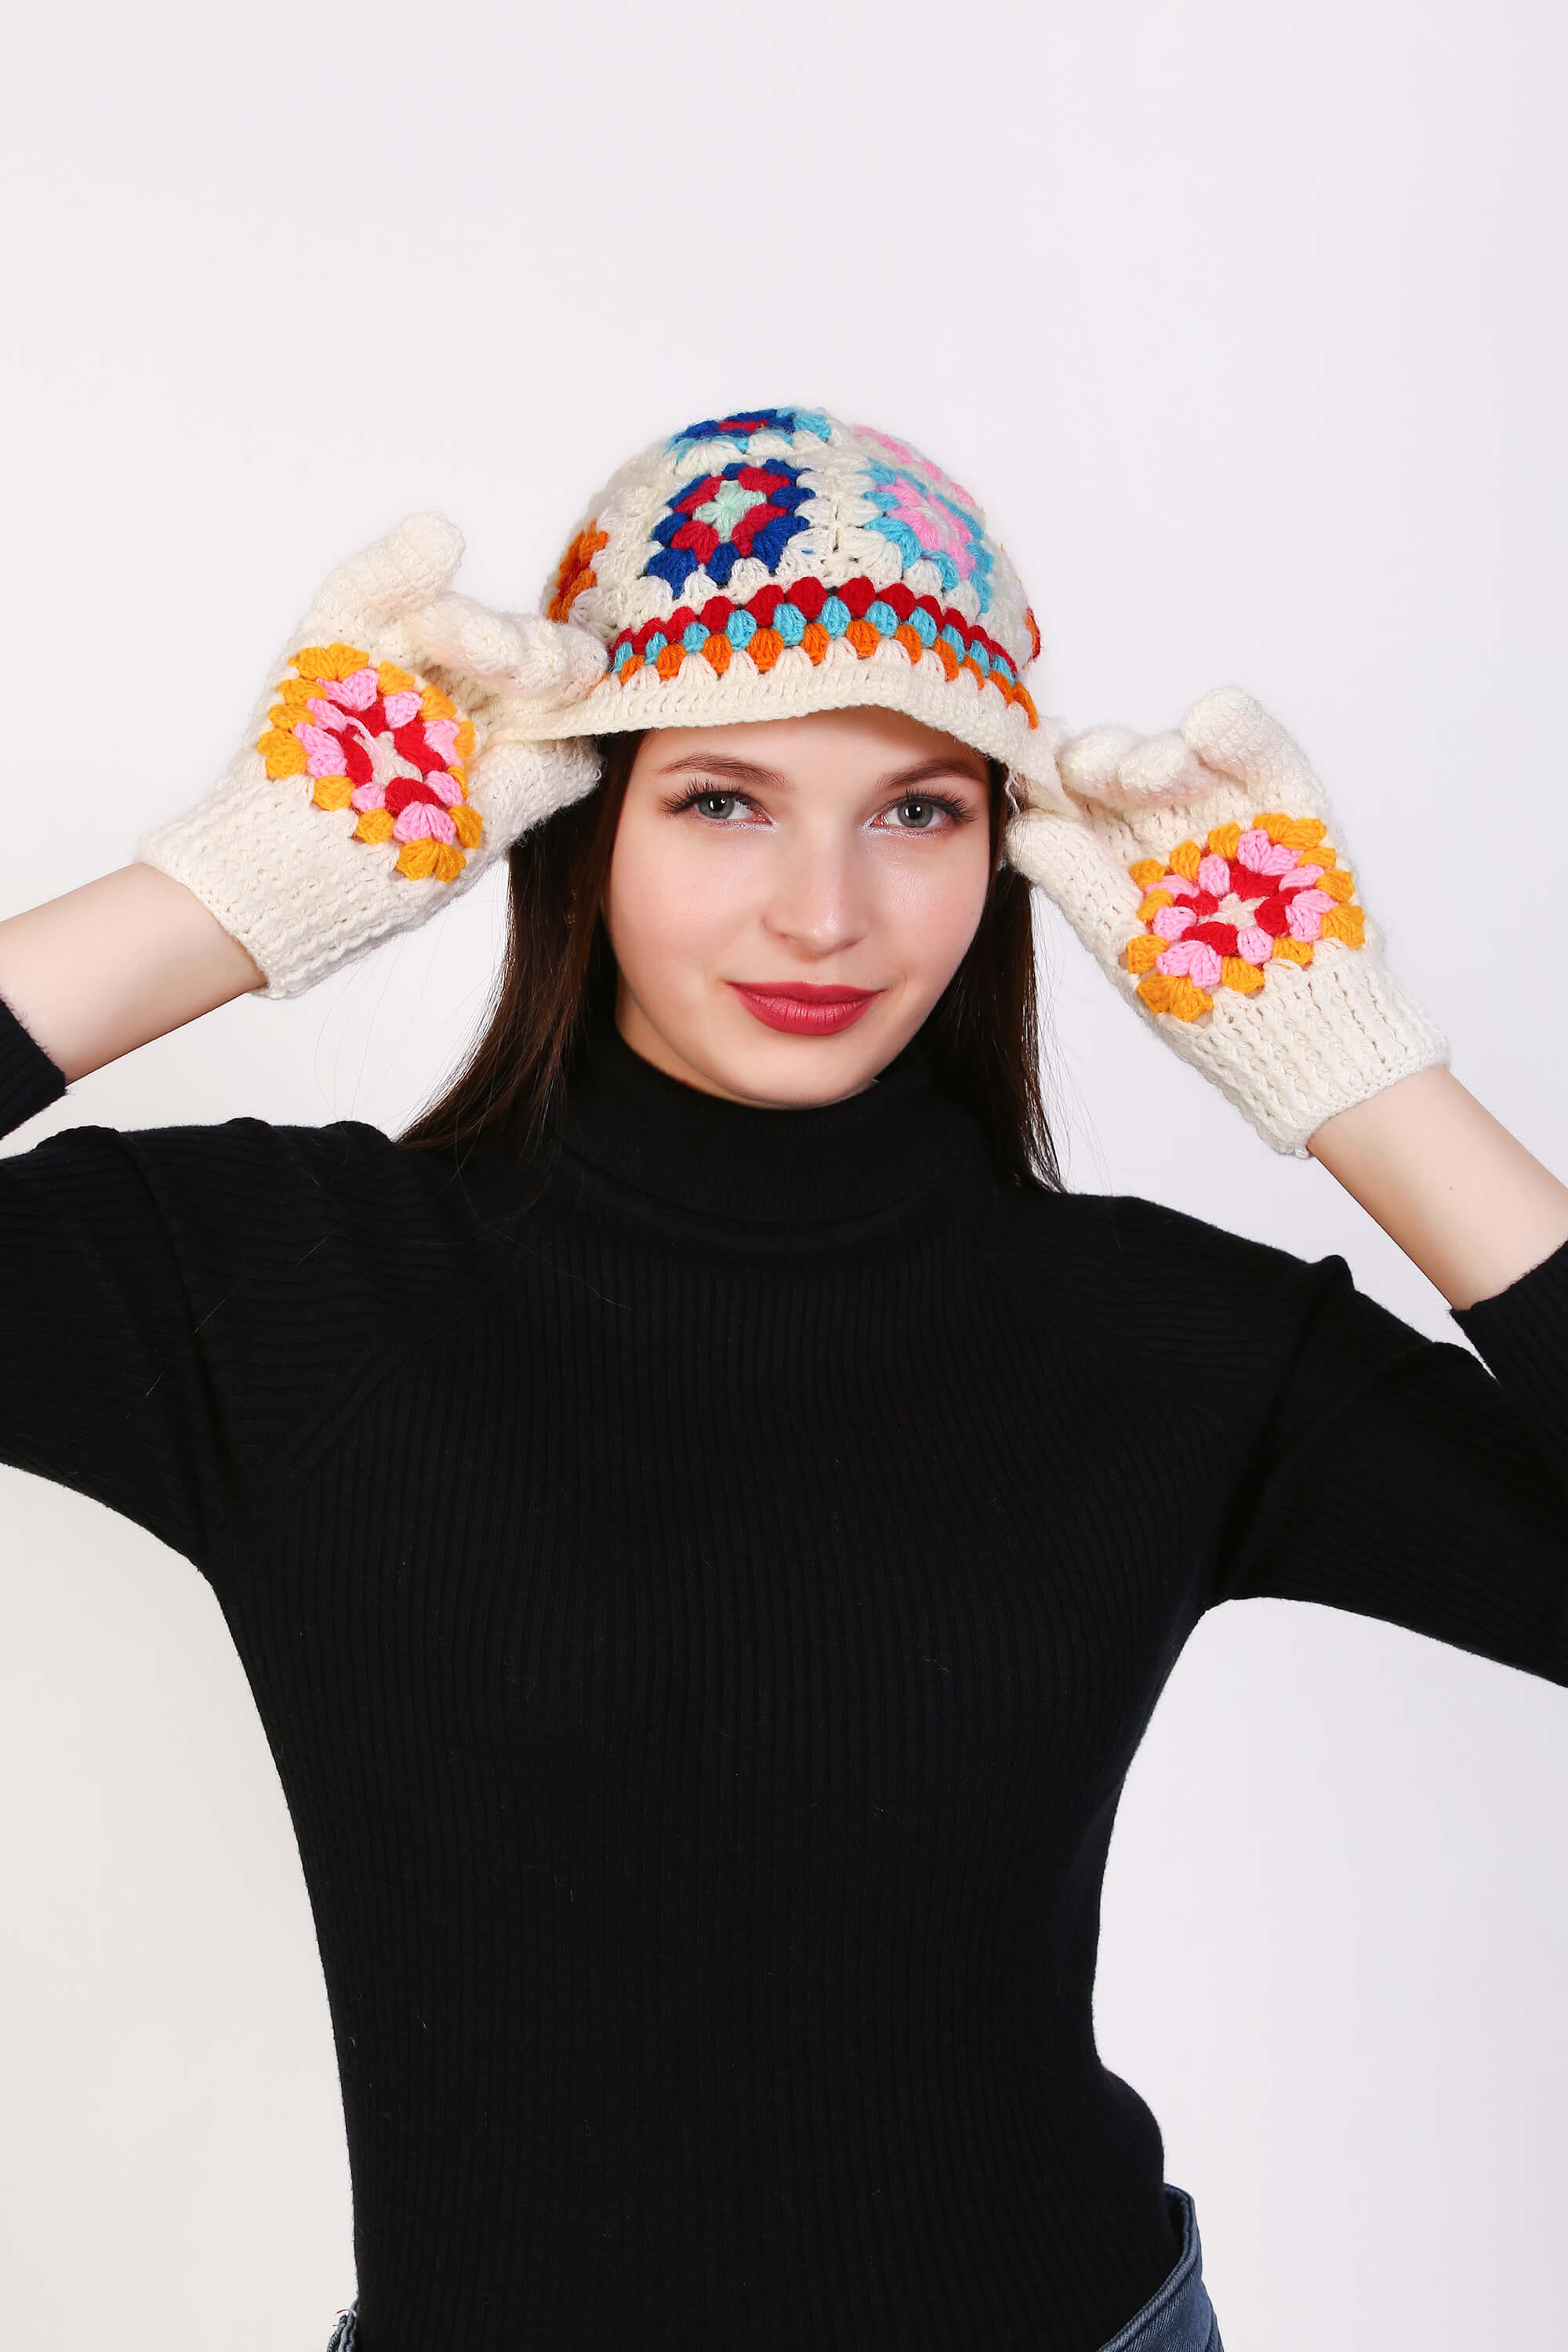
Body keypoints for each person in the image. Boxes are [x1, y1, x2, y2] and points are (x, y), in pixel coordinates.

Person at [1, 406, 1563, 2352]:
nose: (825, 912)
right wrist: (232, 892)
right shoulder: (281, 1287)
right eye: (723, 799)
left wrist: (1352, 1068)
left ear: (1004, 848)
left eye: (917, 811)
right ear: (578, 819)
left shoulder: (1167, 1338)